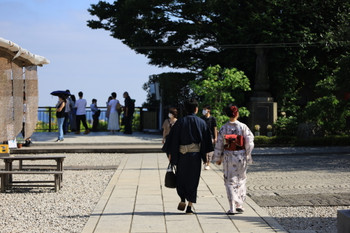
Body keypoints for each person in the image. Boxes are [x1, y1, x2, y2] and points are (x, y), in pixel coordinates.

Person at [162, 98, 213, 214]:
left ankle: (182, 199)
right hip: (195, 155)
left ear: (185, 109)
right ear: (196, 109)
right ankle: (190, 205)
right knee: (193, 180)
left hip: (181, 155)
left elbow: (172, 140)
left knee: (181, 178)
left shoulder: (179, 122)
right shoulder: (201, 122)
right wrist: (206, 158)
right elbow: (206, 141)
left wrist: (171, 155)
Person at [212, 104, 254, 215]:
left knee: (229, 181)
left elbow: (219, 143)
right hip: (240, 156)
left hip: (228, 156)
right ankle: (239, 204)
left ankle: (232, 207)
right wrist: (247, 153)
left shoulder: (224, 128)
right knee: (241, 179)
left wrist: (218, 158)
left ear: (227, 114)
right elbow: (250, 142)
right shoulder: (243, 127)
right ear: (237, 113)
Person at [200, 105, 218, 170]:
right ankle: (205, 161)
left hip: (210, 136)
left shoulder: (213, 119)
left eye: (205, 109)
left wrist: (215, 137)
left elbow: (215, 128)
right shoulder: (202, 118)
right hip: (203, 136)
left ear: (209, 110)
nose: (204, 111)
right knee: (204, 149)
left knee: (210, 150)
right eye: (203, 109)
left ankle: (208, 163)